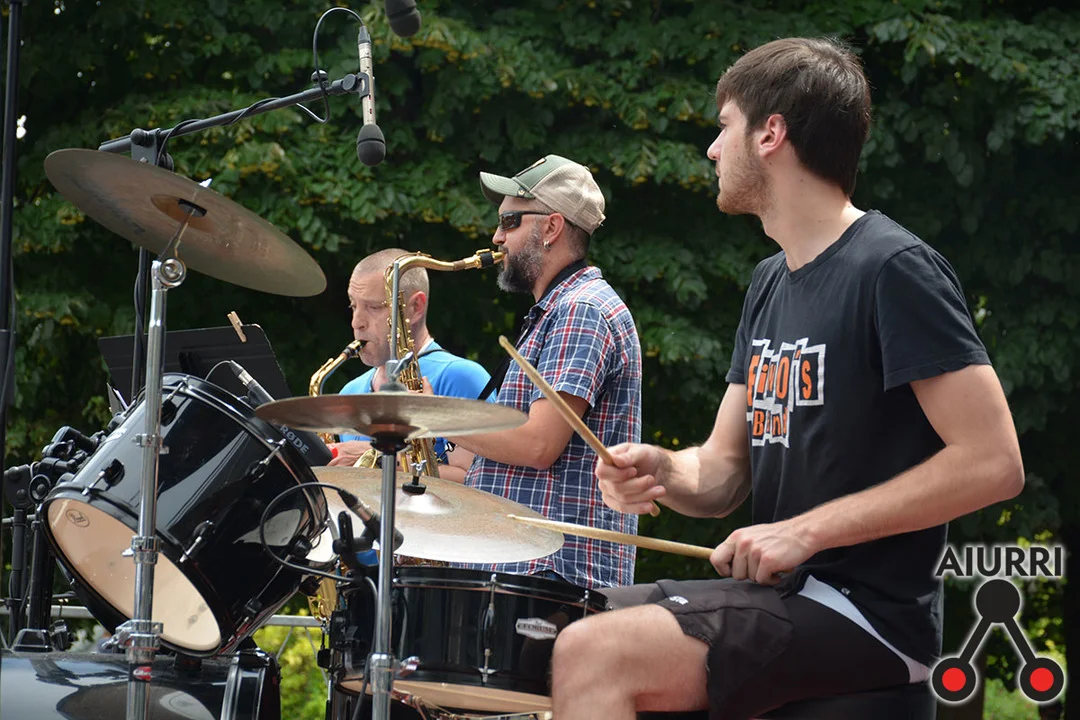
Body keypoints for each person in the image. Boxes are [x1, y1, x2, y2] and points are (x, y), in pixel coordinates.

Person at [549, 37, 1025, 720]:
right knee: (563, 626)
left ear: (770, 133)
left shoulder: (894, 269)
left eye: (724, 126)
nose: (713, 149)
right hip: (782, 599)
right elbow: (722, 472)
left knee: (596, 650)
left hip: (868, 616)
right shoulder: (769, 283)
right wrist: (663, 469)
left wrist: (806, 532)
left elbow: (994, 463)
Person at [446, 154, 643, 590]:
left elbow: (538, 445)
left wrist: (431, 418)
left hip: (553, 573)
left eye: (510, 222)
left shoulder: (580, 310)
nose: (497, 237)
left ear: (552, 227)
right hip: (533, 567)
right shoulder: (554, 312)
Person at [330, 247, 491, 484]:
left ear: (415, 308)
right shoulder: (349, 392)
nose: (357, 322)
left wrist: (378, 458)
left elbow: (477, 482)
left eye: (374, 307)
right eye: (354, 306)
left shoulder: (460, 377)